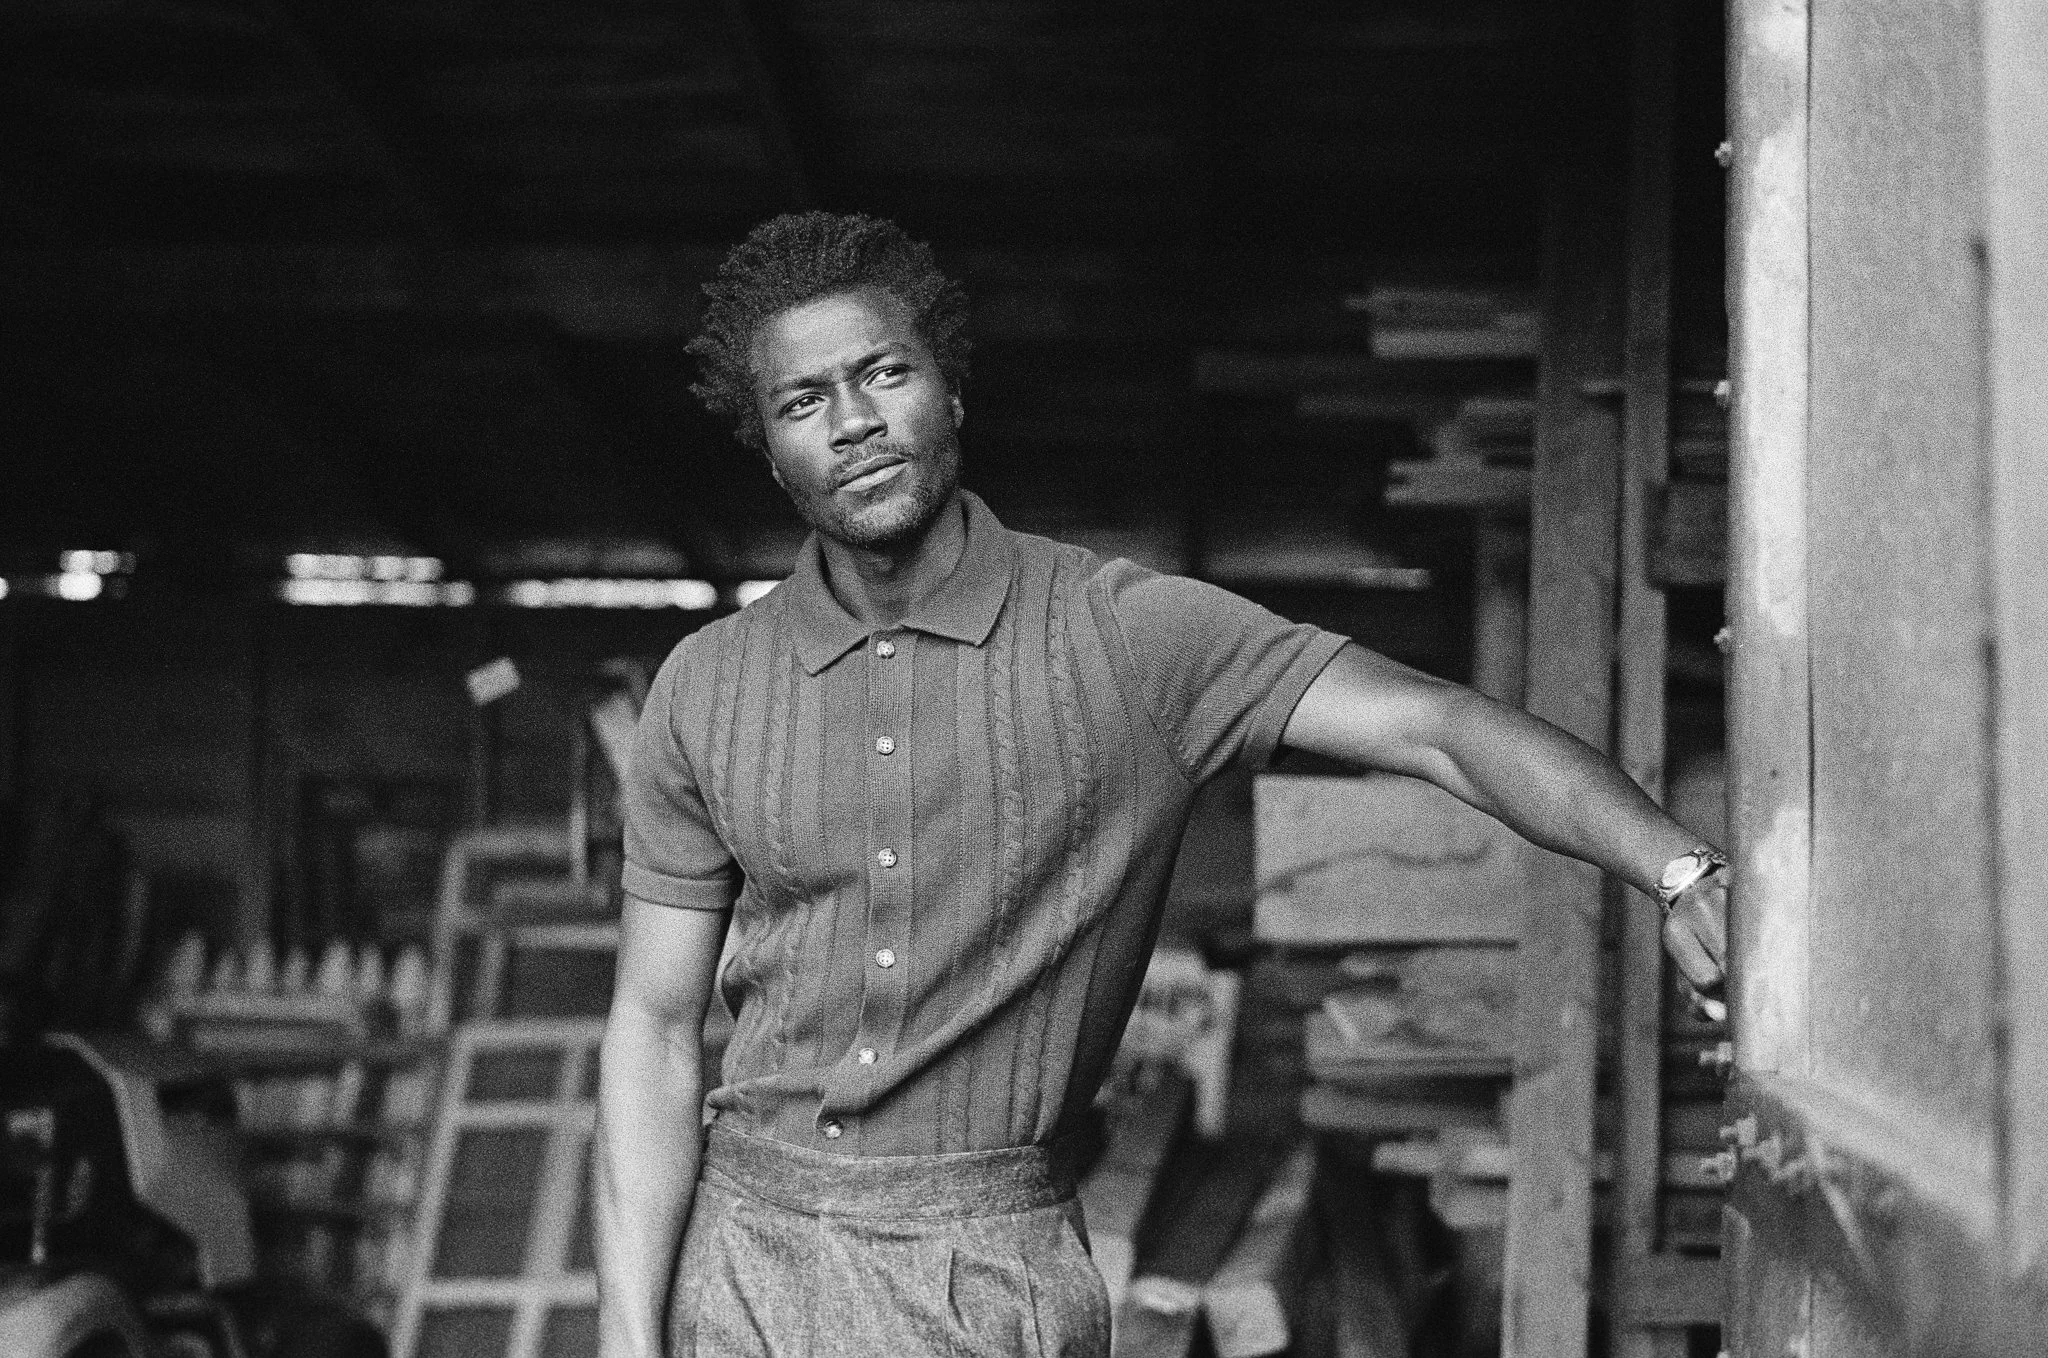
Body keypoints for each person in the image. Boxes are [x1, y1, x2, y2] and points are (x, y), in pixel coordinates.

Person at [593, 211, 1728, 1358]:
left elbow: (1439, 728)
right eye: (802, 402)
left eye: (883, 373)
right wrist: (630, 1333)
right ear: (768, 442)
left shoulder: (1128, 639)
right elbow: (654, 1021)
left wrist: (1677, 867)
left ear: (949, 391)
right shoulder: (707, 685)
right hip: (741, 1255)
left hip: (981, 1270)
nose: (851, 423)